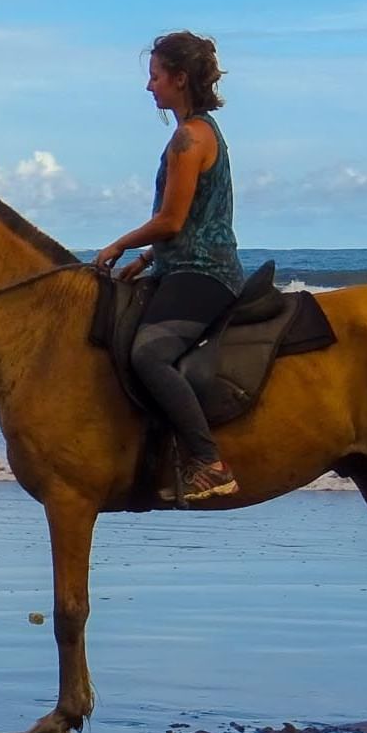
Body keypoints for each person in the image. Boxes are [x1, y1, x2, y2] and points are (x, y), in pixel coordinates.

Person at [93, 31, 245, 502]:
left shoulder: (188, 138)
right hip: (180, 265)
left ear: (179, 79)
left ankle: (209, 461)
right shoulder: (195, 133)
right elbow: (191, 222)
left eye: (155, 76)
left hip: (206, 274)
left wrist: (118, 245)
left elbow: (172, 219)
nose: (149, 87)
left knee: (148, 354)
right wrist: (146, 259)